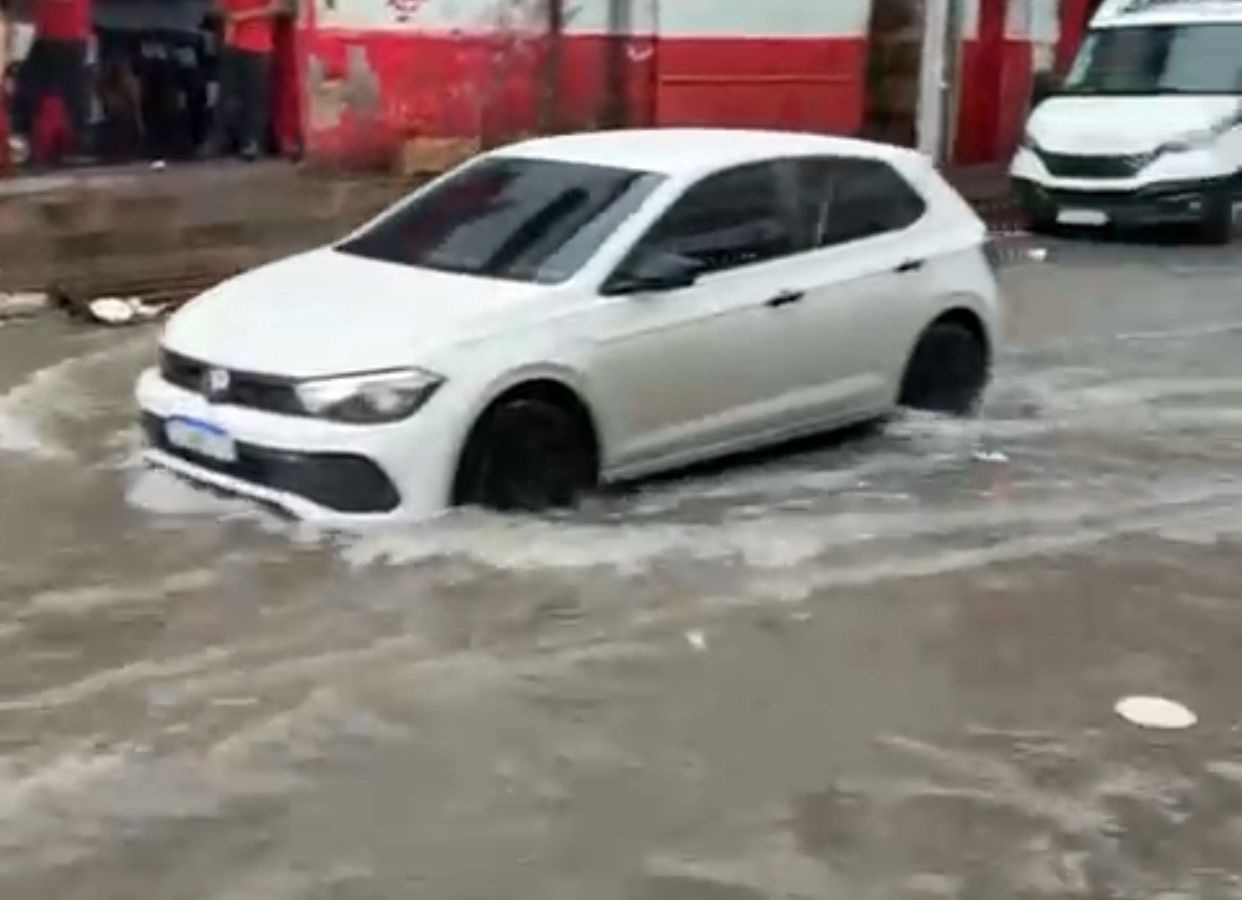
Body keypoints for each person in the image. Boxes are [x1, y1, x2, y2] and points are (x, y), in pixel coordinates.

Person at [14, 0, 94, 163]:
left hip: (60, 36)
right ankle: (71, 141)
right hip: (65, 36)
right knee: (69, 91)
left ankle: (68, 141)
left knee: (37, 90)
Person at [205, 0, 280, 161]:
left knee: (255, 98)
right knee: (225, 94)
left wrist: (243, 17)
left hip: (258, 44)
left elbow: (277, 7)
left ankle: (252, 143)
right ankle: (219, 141)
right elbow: (216, 8)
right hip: (232, 42)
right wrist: (228, 18)